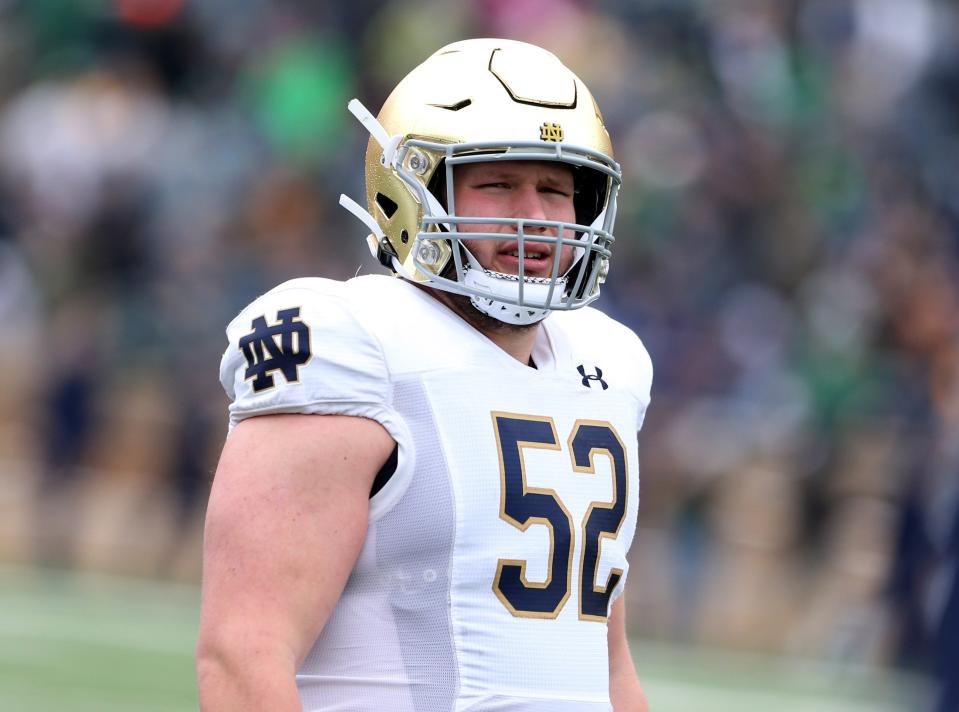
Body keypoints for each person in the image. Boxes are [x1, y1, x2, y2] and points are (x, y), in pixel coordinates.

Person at [196, 38, 652, 712]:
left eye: (556, 189)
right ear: (411, 191)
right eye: (498, 184)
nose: (534, 217)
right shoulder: (354, 344)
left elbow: (604, 666)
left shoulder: (609, 365)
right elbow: (244, 651)